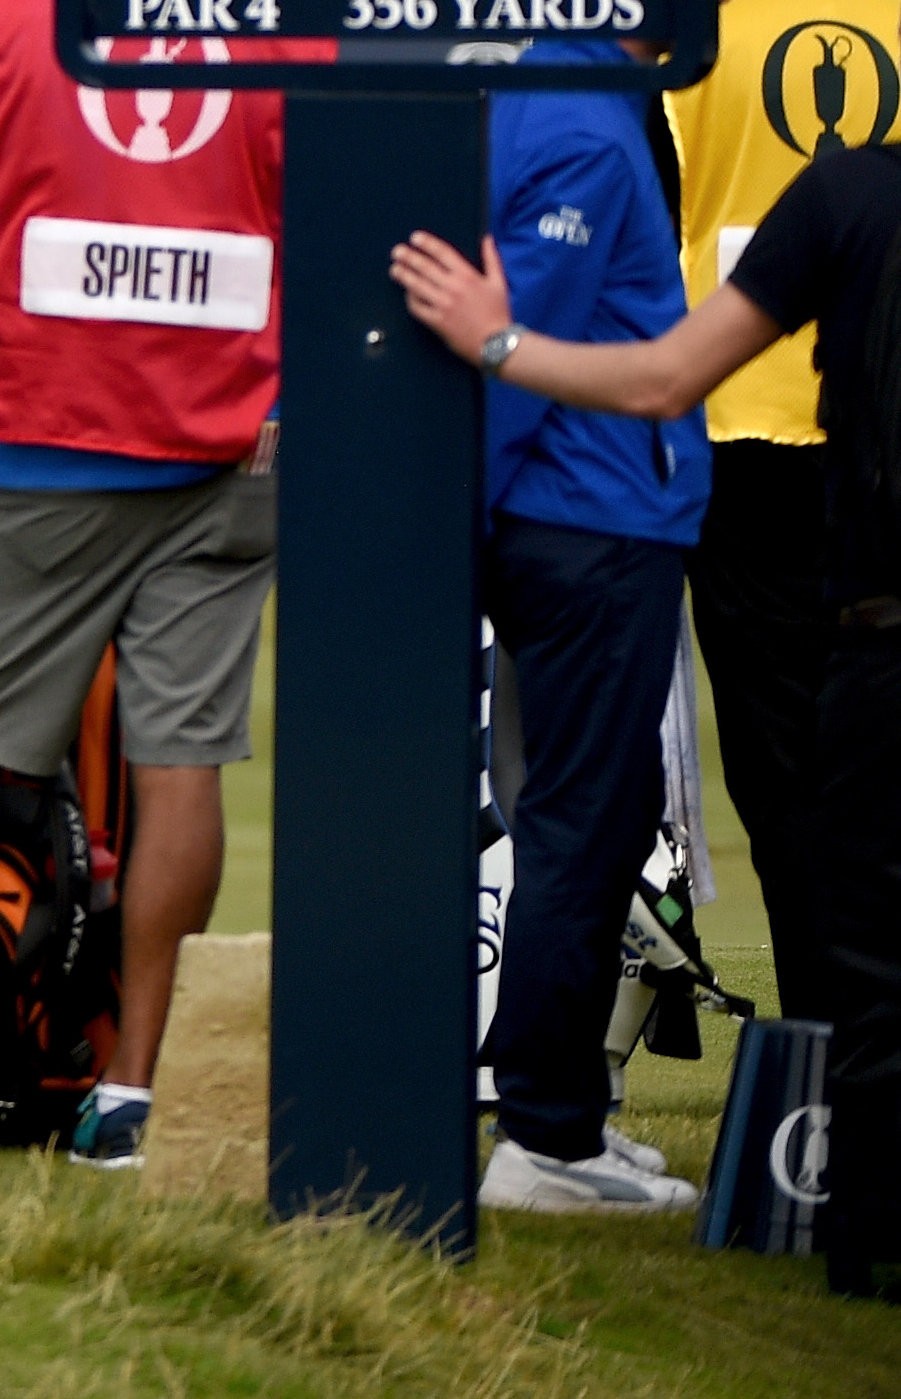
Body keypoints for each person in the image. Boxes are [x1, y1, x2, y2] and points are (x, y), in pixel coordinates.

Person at [392, 144, 901, 1296]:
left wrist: (497, 341)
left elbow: (669, 378)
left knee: (869, 963)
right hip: (815, 607)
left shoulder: (845, 192)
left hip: (876, 630)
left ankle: (866, 1249)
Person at [0, 0, 299, 1171]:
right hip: (233, 436)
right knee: (181, 760)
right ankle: (130, 1095)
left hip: (46, 431)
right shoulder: (285, 15)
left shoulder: (1, 7)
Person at [466, 35, 714, 1212]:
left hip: (586, 512)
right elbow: (516, 354)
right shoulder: (576, 112)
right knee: (582, 821)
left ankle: (559, 1114)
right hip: (589, 518)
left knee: (598, 819)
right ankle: (546, 1137)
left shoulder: (567, 92)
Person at [665, 0, 892, 1025]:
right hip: (882, 449)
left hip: (740, 439)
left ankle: (813, 1043)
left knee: (777, 765)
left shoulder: (690, 48)